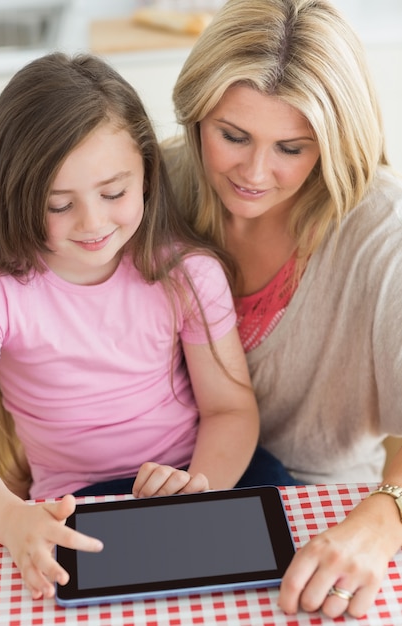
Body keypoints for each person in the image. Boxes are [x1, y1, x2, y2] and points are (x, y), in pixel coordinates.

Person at [0, 51, 268, 602]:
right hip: (79, 503)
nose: (93, 224)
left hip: (204, 473)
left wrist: (197, 489)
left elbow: (230, 411)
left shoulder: (187, 273)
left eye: (114, 194)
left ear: (146, 174)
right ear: (14, 196)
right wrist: (11, 519)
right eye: (58, 204)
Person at [164, 0, 402, 619]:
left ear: (333, 143)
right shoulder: (153, 185)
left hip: (326, 512)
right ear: (196, 117)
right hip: (167, 493)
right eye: (232, 135)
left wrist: (383, 515)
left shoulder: (383, 232)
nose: (254, 172)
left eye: (292, 148)